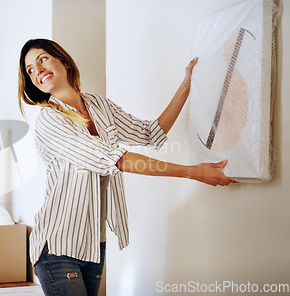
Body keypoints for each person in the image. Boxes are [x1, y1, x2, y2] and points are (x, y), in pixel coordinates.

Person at [18, 38, 235, 296]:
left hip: (93, 244)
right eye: (30, 70)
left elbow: (150, 133)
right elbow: (114, 158)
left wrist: (187, 84)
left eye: (42, 59)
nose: (37, 70)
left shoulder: (99, 105)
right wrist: (192, 172)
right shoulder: (50, 120)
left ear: (63, 61)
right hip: (57, 245)